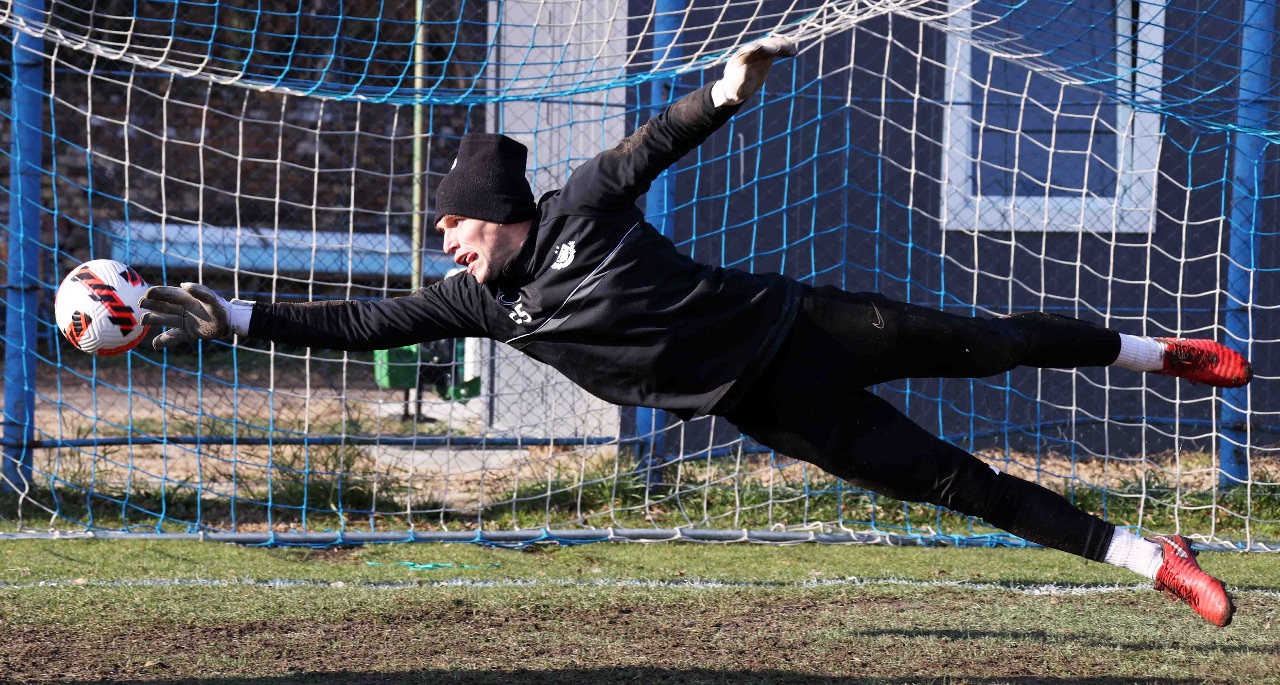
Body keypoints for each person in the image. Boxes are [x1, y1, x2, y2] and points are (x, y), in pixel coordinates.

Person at [138, 36, 1249, 627]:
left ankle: (1162, 353)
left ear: (499, 210)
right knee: (959, 484)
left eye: (453, 221)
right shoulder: (475, 302)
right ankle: (1156, 561)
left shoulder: (580, 204)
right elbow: (351, 321)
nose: (443, 238)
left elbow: (653, 144)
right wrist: (230, 313)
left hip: (803, 324)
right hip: (765, 405)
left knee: (993, 341)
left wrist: (725, 91)